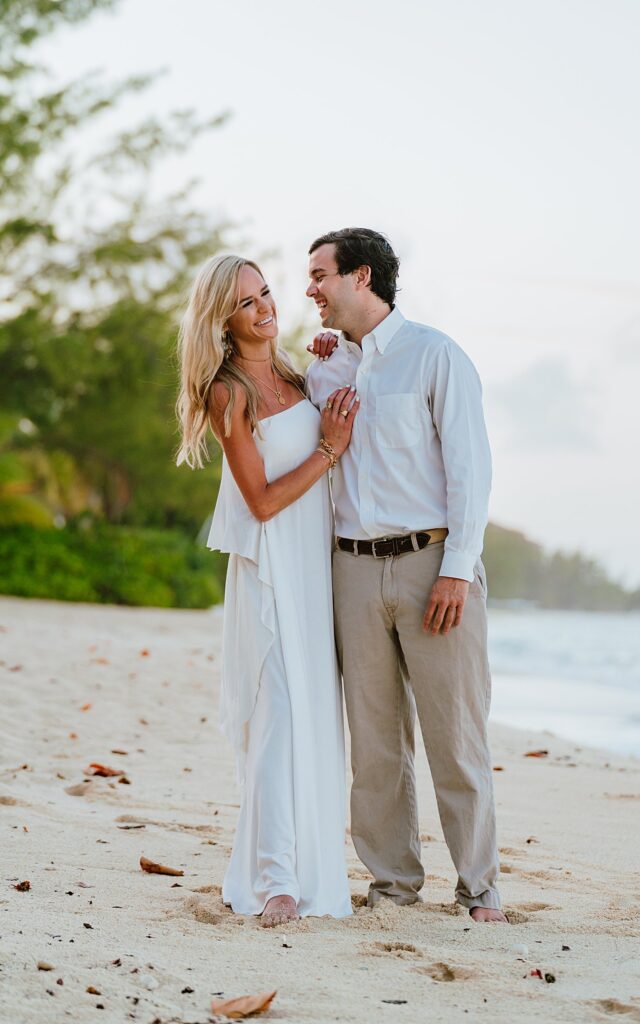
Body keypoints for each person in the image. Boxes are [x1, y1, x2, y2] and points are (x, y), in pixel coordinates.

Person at [305, 228, 507, 923]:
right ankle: (391, 885)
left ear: (361, 277)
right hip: (352, 572)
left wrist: (456, 571)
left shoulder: (435, 356)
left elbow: (469, 472)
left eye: (320, 275)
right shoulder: (326, 369)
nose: (310, 289)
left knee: (456, 736)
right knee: (374, 742)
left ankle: (478, 886)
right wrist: (323, 361)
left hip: (431, 567)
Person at [176, 253, 358, 927]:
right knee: (277, 719)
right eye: (249, 302)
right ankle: (275, 878)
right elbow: (259, 501)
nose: (266, 307)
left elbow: (347, 393)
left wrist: (330, 353)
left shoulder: (288, 372)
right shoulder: (230, 392)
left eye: (267, 293)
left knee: (312, 716)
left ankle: (308, 871)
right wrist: (328, 450)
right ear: (223, 318)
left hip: (312, 568)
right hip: (268, 572)